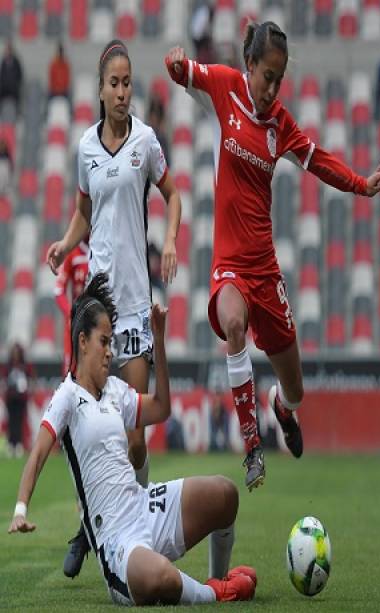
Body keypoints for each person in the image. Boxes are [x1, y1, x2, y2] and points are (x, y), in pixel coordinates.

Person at [165, 22, 380, 492]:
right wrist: (175, 63)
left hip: (265, 269)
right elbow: (185, 71)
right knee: (232, 324)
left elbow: (318, 159)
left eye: (279, 80)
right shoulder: (225, 88)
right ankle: (252, 445)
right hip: (229, 262)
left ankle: (283, 409)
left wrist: (360, 183)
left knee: (296, 387)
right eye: (266, 76)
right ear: (249, 66)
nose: (271, 88)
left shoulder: (281, 125)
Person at [8, 273, 256, 606]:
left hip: (143, 506)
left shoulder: (114, 391)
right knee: (161, 577)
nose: (111, 352)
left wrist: (160, 343)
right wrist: (20, 510)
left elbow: (162, 407)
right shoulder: (66, 397)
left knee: (225, 494)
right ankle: (217, 593)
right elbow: (37, 455)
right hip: (115, 540)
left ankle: (219, 576)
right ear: (82, 342)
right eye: (104, 341)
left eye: (112, 342)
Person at [47, 39, 182, 578]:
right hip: (98, 310)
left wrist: (170, 239)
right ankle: (91, 525)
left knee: (131, 438)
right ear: (101, 90)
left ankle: (134, 531)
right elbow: (85, 211)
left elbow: (172, 195)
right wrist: (63, 241)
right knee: (87, 431)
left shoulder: (146, 142)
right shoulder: (84, 148)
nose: (123, 92)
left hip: (135, 307)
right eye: (115, 84)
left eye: (129, 83)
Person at [54, 237, 89, 376]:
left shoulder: (104, 249)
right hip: (76, 324)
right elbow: (58, 290)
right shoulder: (73, 252)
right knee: (71, 374)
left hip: (97, 322)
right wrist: (70, 314)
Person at [4, 342, 32, 457]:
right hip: (11, 398)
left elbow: (30, 378)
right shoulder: (8, 366)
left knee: (20, 421)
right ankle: (11, 444)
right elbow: (5, 380)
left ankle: (19, 444)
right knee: (11, 421)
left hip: (21, 398)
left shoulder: (24, 366)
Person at [0, 41, 23, 114]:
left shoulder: (16, 61)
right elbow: (2, 74)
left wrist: (15, 84)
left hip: (13, 88)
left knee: (17, 97)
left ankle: (17, 113)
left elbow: (19, 75)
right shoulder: (3, 62)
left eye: (8, 50)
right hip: (5, 87)